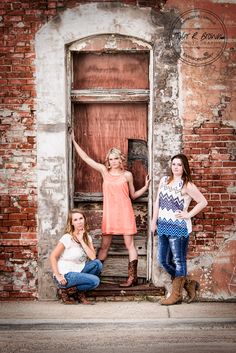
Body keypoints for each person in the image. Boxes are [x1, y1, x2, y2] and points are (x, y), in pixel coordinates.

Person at [70, 130, 151, 287]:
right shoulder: (103, 171)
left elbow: (133, 195)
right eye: (110, 159)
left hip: (125, 213)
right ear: (108, 160)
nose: (113, 161)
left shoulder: (127, 175)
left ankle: (132, 278)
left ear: (121, 159)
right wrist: (74, 141)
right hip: (110, 214)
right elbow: (86, 158)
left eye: (116, 158)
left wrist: (146, 186)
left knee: (130, 246)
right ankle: (93, 276)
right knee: (104, 247)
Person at [151, 153, 208, 305]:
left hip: (179, 228)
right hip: (163, 226)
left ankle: (176, 295)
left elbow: (203, 202)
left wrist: (188, 214)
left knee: (178, 261)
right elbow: (157, 202)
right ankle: (188, 283)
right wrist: (153, 221)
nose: (176, 167)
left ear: (184, 168)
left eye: (179, 165)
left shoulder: (187, 185)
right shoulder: (164, 180)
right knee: (163, 260)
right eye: (174, 164)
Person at [50, 209, 103, 304]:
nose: (79, 222)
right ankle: (64, 290)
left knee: (97, 264)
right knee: (95, 281)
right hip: (66, 275)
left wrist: (82, 240)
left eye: (81, 218)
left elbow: (93, 257)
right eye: (75, 220)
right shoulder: (67, 238)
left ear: (84, 219)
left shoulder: (87, 237)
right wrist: (58, 276)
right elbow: (53, 256)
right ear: (71, 223)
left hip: (79, 270)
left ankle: (77, 293)